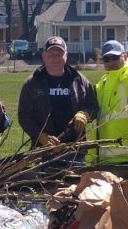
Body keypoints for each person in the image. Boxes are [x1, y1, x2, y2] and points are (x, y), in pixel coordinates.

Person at [18, 36, 98, 166]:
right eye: (51, 54)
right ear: (43, 55)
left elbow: (93, 105)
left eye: (60, 54)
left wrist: (85, 113)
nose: (55, 58)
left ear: (66, 55)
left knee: (75, 186)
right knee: (46, 186)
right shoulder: (32, 83)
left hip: (74, 150)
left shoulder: (79, 80)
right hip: (44, 152)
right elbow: (24, 116)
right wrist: (41, 137)